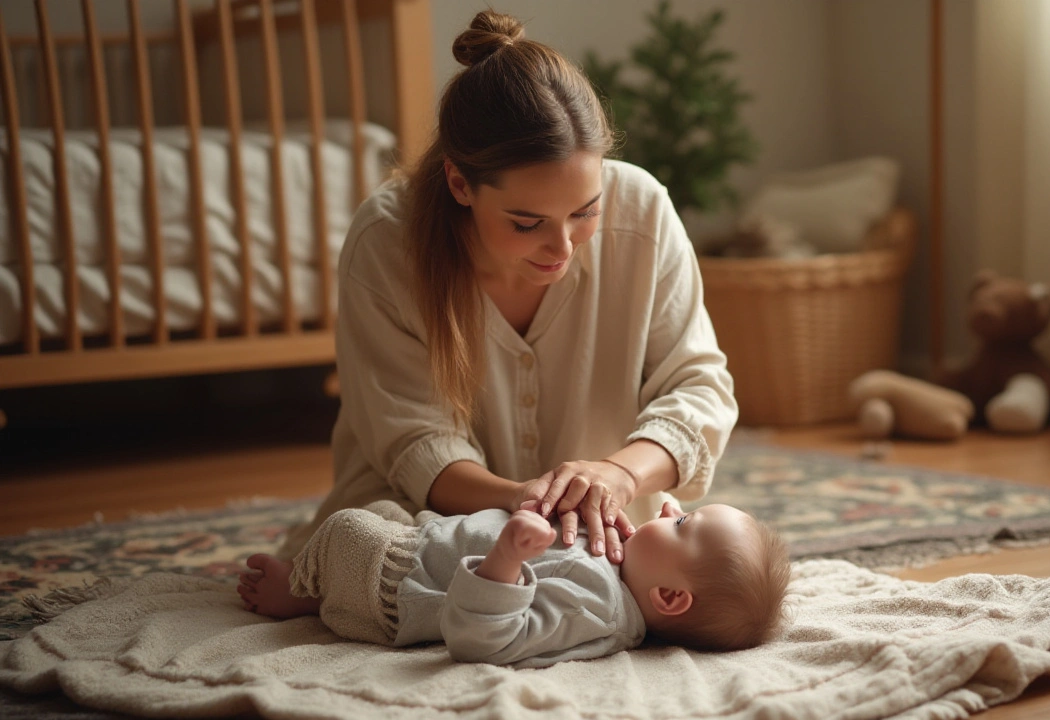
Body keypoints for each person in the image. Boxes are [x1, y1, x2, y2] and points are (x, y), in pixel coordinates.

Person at [274, 9, 737, 565]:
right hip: (427, 527)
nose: (563, 247)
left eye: (585, 212)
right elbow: (413, 444)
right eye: (527, 223)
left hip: (602, 528)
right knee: (386, 575)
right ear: (459, 184)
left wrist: (619, 473)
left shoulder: (642, 211)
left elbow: (699, 387)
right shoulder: (386, 241)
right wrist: (524, 500)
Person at [238, 500, 791, 667]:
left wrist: (505, 558)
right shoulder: (621, 574)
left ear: (669, 596)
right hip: (425, 538)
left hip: (396, 584)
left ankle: (298, 594)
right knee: (383, 506)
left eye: (681, 522)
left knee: (349, 528)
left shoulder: (596, 605)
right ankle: (316, 568)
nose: (668, 509)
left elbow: (485, 639)